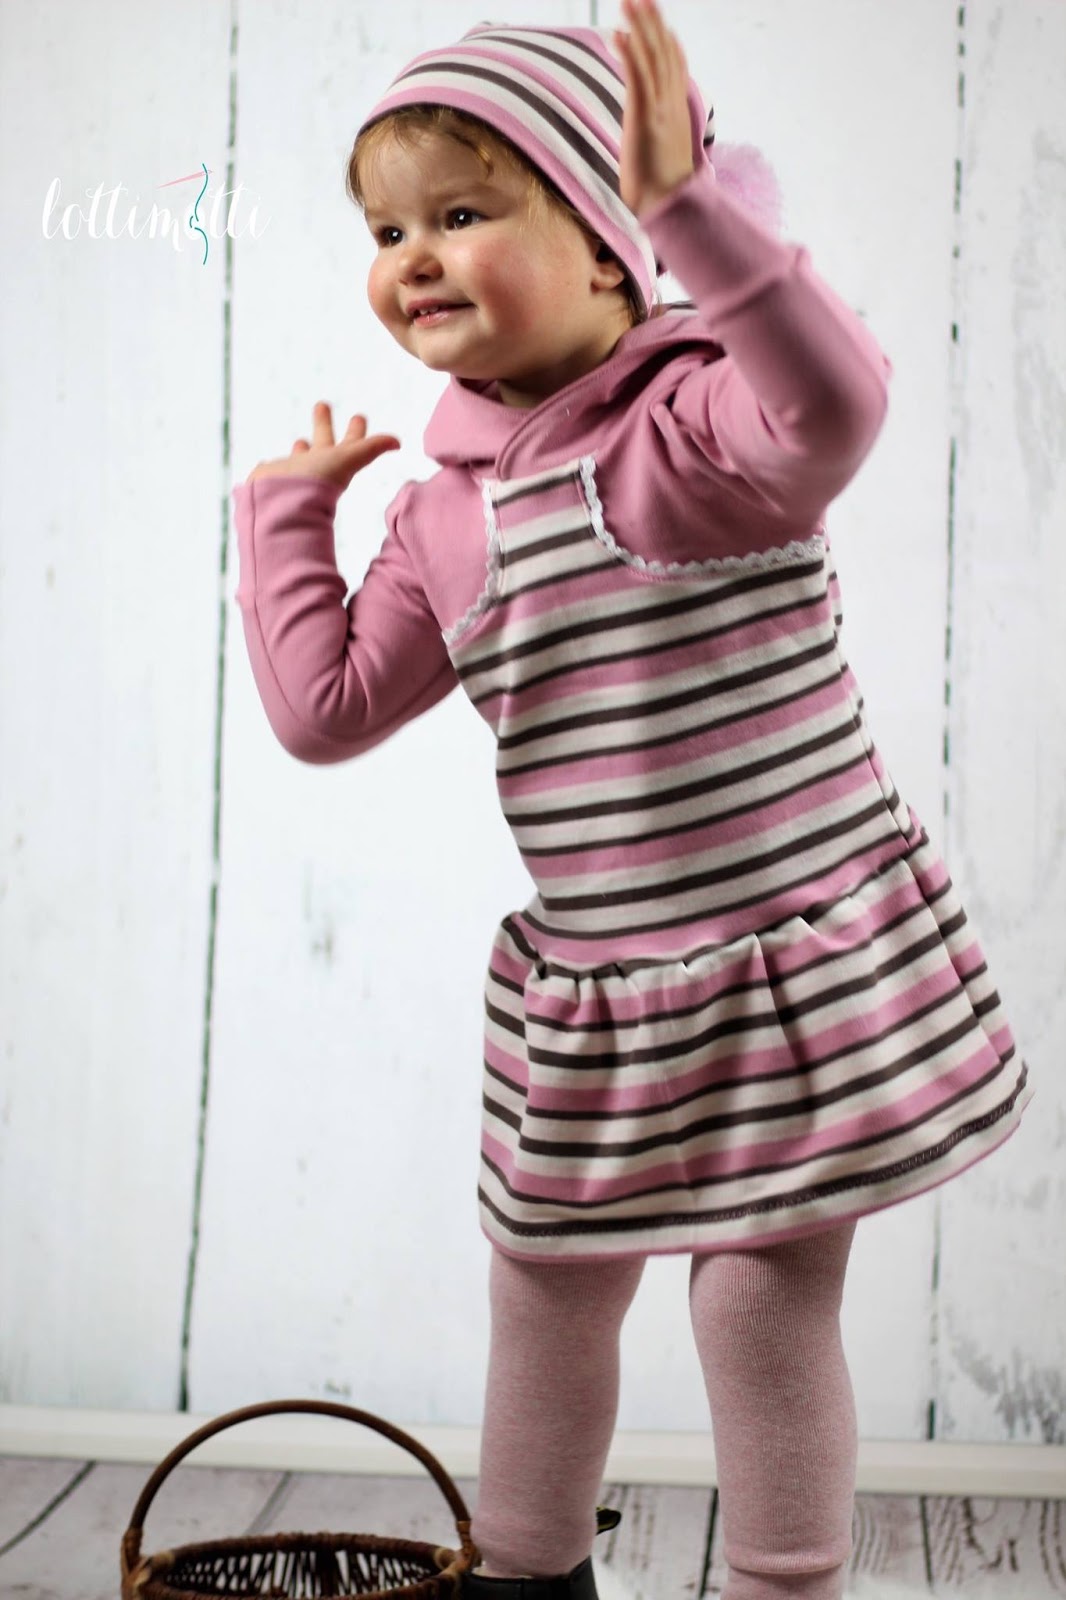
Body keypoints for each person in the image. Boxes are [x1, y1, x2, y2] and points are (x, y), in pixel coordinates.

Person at [231, 3, 1031, 1596]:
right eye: (388, 231)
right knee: (543, 1289)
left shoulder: (693, 433)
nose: (414, 257)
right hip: (600, 983)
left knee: (754, 1296)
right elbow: (325, 712)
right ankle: (527, 1573)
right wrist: (282, 522)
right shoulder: (440, 520)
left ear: (608, 244)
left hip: (784, 967)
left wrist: (695, 211)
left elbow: (838, 406)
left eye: (463, 213)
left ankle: (781, 1581)